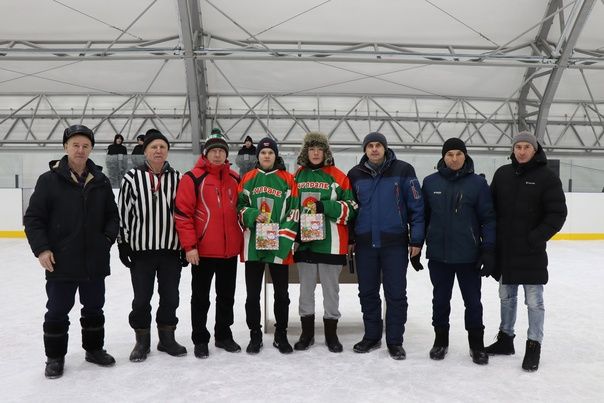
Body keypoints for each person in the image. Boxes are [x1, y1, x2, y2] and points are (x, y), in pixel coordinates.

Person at [24, 124, 119, 379]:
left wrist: (107, 239)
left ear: (91, 149)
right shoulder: (49, 180)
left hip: (94, 260)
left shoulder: (100, 180)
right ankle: (55, 357)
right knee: (57, 310)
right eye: (75, 145)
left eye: (85, 146)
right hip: (61, 261)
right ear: (66, 147)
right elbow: (33, 219)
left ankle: (94, 349)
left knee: (94, 308)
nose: (80, 150)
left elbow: (112, 215)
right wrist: (42, 249)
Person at [486, 131, 567, 372]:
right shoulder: (502, 174)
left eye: (526, 147)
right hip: (506, 251)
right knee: (506, 297)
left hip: (531, 252)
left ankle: (534, 345)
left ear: (535, 150)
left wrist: (535, 237)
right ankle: (505, 340)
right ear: (513, 150)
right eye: (518, 147)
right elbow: (490, 210)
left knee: (534, 301)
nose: (521, 151)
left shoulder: (547, 177)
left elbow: (557, 214)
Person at [347, 132, 424, 360]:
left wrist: (417, 240)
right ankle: (371, 336)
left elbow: (417, 207)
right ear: (365, 150)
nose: (374, 149)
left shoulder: (403, 170)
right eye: (369, 145)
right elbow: (350, 210)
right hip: (365, 245)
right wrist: (351, 238)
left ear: (385, 148)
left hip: (395, 243)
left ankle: (394, 340)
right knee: (367, 293)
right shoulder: (354, 174)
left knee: (396, 294)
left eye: (378, 145)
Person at [421, 138, 496, 365]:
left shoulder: (478, 184)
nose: (454, 158)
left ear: (466, 156)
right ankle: (440, 341)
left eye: (458, 154)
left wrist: (488, 249)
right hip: (439, 256)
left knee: (473, 301)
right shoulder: (430, 182)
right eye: (449, 154)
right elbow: (422, 218)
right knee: (440, 300)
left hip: (468, 256)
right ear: (443, 157)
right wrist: (416, 246)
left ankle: (477, 345)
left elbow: (489, 219)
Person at [117, 128, 187, 362]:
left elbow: (185, 213)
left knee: (170, 297)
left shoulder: (178, 178)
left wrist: (186, 246)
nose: (158, 150)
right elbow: (124, 212)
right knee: (141, 298)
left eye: (162, 147)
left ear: (167, 152)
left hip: (170, 250)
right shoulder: (131, 178)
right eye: (153, 147)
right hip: (141, 252)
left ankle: (167, 338)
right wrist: (123, 243)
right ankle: (142, 340)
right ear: (145, 151)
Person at [174, 134, 243, 359]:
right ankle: (200, 339)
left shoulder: (234, 178)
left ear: (226, 155)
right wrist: (190, 246)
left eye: (221, 151)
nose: (217, 154)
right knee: (201, 297)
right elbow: (183, 214)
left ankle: (223, 335)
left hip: (229, 250)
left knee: (226, 296)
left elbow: (243, 211)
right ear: (205, 153)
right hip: (202, 251)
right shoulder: (192, 178)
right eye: (213, 150)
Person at [293, 132, 357, 353]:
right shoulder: (296, 177)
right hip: (305, 244)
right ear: (306, 152)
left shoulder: (339, 177)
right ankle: (307, 334)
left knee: (331, 291)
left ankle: (331, 335)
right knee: (305, 291)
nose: (316, 153)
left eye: (320, 149)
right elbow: (290, 209)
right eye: (312, 149)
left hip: (331, 244)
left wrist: (325, 207)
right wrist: (293, 234)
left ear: (326, 152)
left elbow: (351, 210)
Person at [238, 137, 299, 354]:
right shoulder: (247, 179)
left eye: (270, 153)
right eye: (263, 153)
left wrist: (282, 238)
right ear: (258, 156)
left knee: (281, 294)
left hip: (278, 246)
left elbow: (294, 212)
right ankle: (255, 334)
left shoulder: (287, 179)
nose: (266, 156)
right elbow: (240, 208)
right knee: (252, 294)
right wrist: (253, 215)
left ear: (276, 156)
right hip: (253, 245)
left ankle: (280, 333)